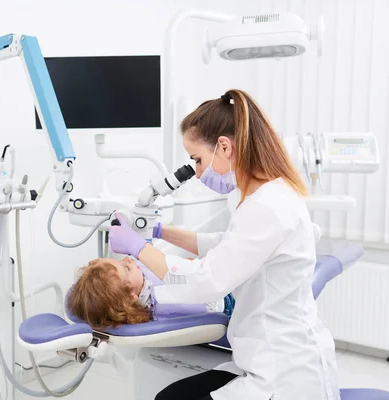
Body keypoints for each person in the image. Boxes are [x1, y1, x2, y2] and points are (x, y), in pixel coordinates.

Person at [109, 89, 339, 400]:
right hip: (260, 358)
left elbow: (208, 280)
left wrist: (139, 249)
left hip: (285, 374)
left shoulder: (267, 206)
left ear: (224, 147)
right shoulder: (260, 197)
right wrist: (161, 231)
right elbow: (226, 245)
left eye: (198, 160)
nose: (199, 172)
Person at [66, 256, 228, 330]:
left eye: (123, 261)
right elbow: (210, 305)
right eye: (127, 268)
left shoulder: (139, 281)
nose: (129, 260)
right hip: (225, 301)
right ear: (132, 296)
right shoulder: (163, 303)